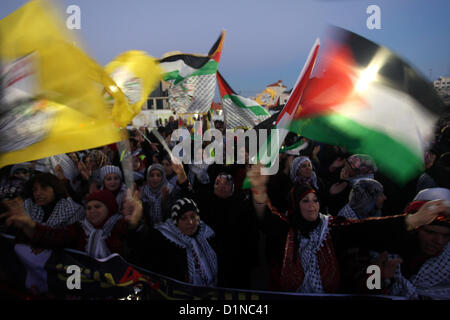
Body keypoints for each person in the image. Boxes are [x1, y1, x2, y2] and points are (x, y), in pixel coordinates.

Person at [247, 164, 450, 294]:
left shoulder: (332, 228)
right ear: (294, 205)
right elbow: (265, 217)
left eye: (315, 201)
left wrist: (412, 221)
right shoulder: (286, 231)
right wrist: (258, 188)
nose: (312, 206)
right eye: (305, 201)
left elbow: (368, 230)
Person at [362, 187, 450, 299]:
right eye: (430, 232)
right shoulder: (382, 250)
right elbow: (363, 291)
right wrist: (378, 279)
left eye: (447, 235)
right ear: (414, 229)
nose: (439, 241)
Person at [0, 190, 133, 259]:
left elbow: (136, 236)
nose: (92, 211)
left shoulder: (119, 225)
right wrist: (28, 224)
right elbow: (53, 237)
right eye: (88, 208)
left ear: (109, 208)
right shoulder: (79, 228)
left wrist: (136, 224)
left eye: (97, 206)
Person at [127, 197, 218, 287]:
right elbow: (142, 247)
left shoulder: (207, 235)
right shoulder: (165, 238)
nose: (190, 222)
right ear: (176, 221)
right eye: (183, 218)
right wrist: (135, 224)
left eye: (193, 216)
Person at [140, 161, 189, 227]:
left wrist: (165, 200)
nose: (155, 178)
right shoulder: (142, 192)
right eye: (152, 175)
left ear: (163, 177)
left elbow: (173, 215)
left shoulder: (171, 190)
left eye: (158, 175)